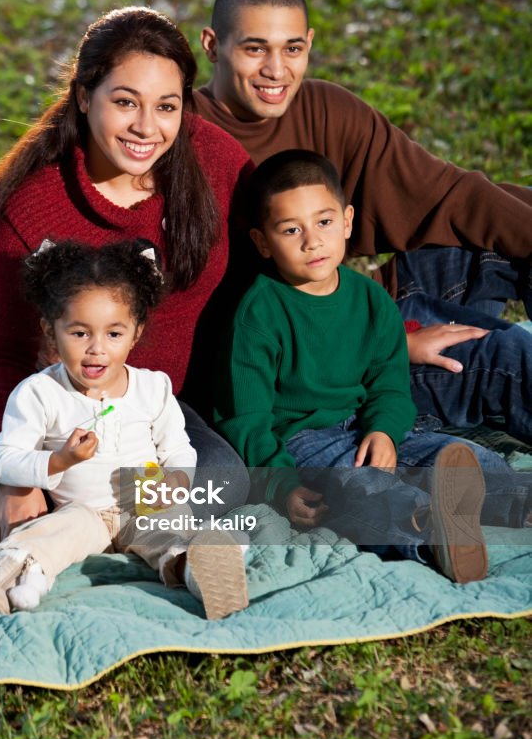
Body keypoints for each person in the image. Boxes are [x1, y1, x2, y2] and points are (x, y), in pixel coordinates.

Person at [0, 7, 253, 551]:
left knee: (222, 482)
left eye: (167, 106)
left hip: (145, 407)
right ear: (85, 95)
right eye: (124, 101)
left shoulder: (217, 161)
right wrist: (13, 478)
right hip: (43, 406)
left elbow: (279, 253)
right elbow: (4, 353)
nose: (146, 127)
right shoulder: (33, 202)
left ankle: (97, 527)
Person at [193, 0, 532, 444]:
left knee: (505, 238)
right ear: (212, 45)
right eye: (255, 49)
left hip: (358, 306)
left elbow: (448, 194)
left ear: (309, 42)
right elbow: (235, 335)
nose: (277, 69)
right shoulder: (182, 135)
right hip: (313, 374)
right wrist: (396, 345)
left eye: (292, 48)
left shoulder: (326, 109)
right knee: (512, 357)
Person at [213, 150, 531, 582]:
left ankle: (520, 503)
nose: (312, 241)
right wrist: (281, 485)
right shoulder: (258, 316)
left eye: (324, 223)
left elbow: (390, 385)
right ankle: (431, 534)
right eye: (291, 230)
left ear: (346, 221)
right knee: (360, 489)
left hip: (367, 425)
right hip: (302, 443)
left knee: (460, 457)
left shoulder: (371, 301)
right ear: (263, 242)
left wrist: (383, 429)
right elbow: (247, 420)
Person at [0, 239, 249, 620]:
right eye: (79, 333)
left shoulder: (152, 387)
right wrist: (59, 460)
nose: (96, 349)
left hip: (144, 500)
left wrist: (177, 478)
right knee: (46, 536)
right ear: (50, 331)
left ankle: (202, 570)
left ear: (136, 333)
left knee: (173, 531)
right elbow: (6, 460)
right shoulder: (40, 392)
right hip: (81, 510)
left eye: (113, 333)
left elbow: (178, 447)